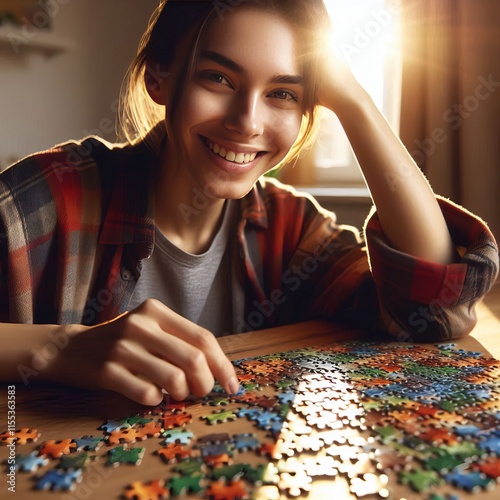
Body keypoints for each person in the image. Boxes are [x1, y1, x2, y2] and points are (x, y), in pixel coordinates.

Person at [0, 0, 497, 406]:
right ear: (160, 78)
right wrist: (61, 348)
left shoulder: (289, 227)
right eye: (218, 78)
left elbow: (432, 311)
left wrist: (354, 101)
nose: (247, 122)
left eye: (282, 93)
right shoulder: (52, 195)